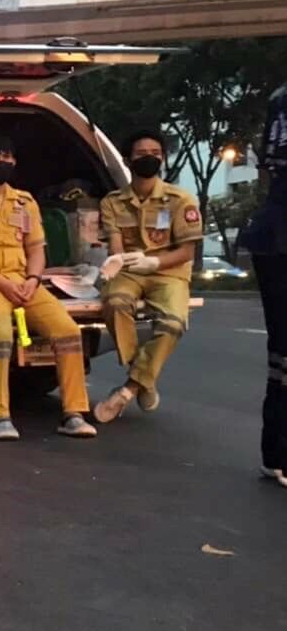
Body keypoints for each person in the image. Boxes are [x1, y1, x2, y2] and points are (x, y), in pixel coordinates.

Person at [0, 135, 96, 440]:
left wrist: (33, 280)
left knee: (67, 332)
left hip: (23, 281)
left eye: (8, 158)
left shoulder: (25, 201)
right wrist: (2, 283)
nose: (3, 164)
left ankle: (74, 413)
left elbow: (37, 249)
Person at [92, 130, 202, 424]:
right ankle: (145, 379)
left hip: (169, 273)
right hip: (129, 271)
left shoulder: (180, 200)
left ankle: (129, 388)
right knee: (115, 303)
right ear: (127, 160)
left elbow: (187, 251)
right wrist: (120, 261)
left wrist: (153, 261)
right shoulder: (113, 202)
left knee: (173, 323)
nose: (150, 159)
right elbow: (115, 246)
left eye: (155, 154)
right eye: (142, 155)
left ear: (163, 158)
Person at [242, 81, 287, 487]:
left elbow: (266, 170)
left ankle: (276, 453)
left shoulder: (278, 99)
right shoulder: (281, 101)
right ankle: (278, 453)